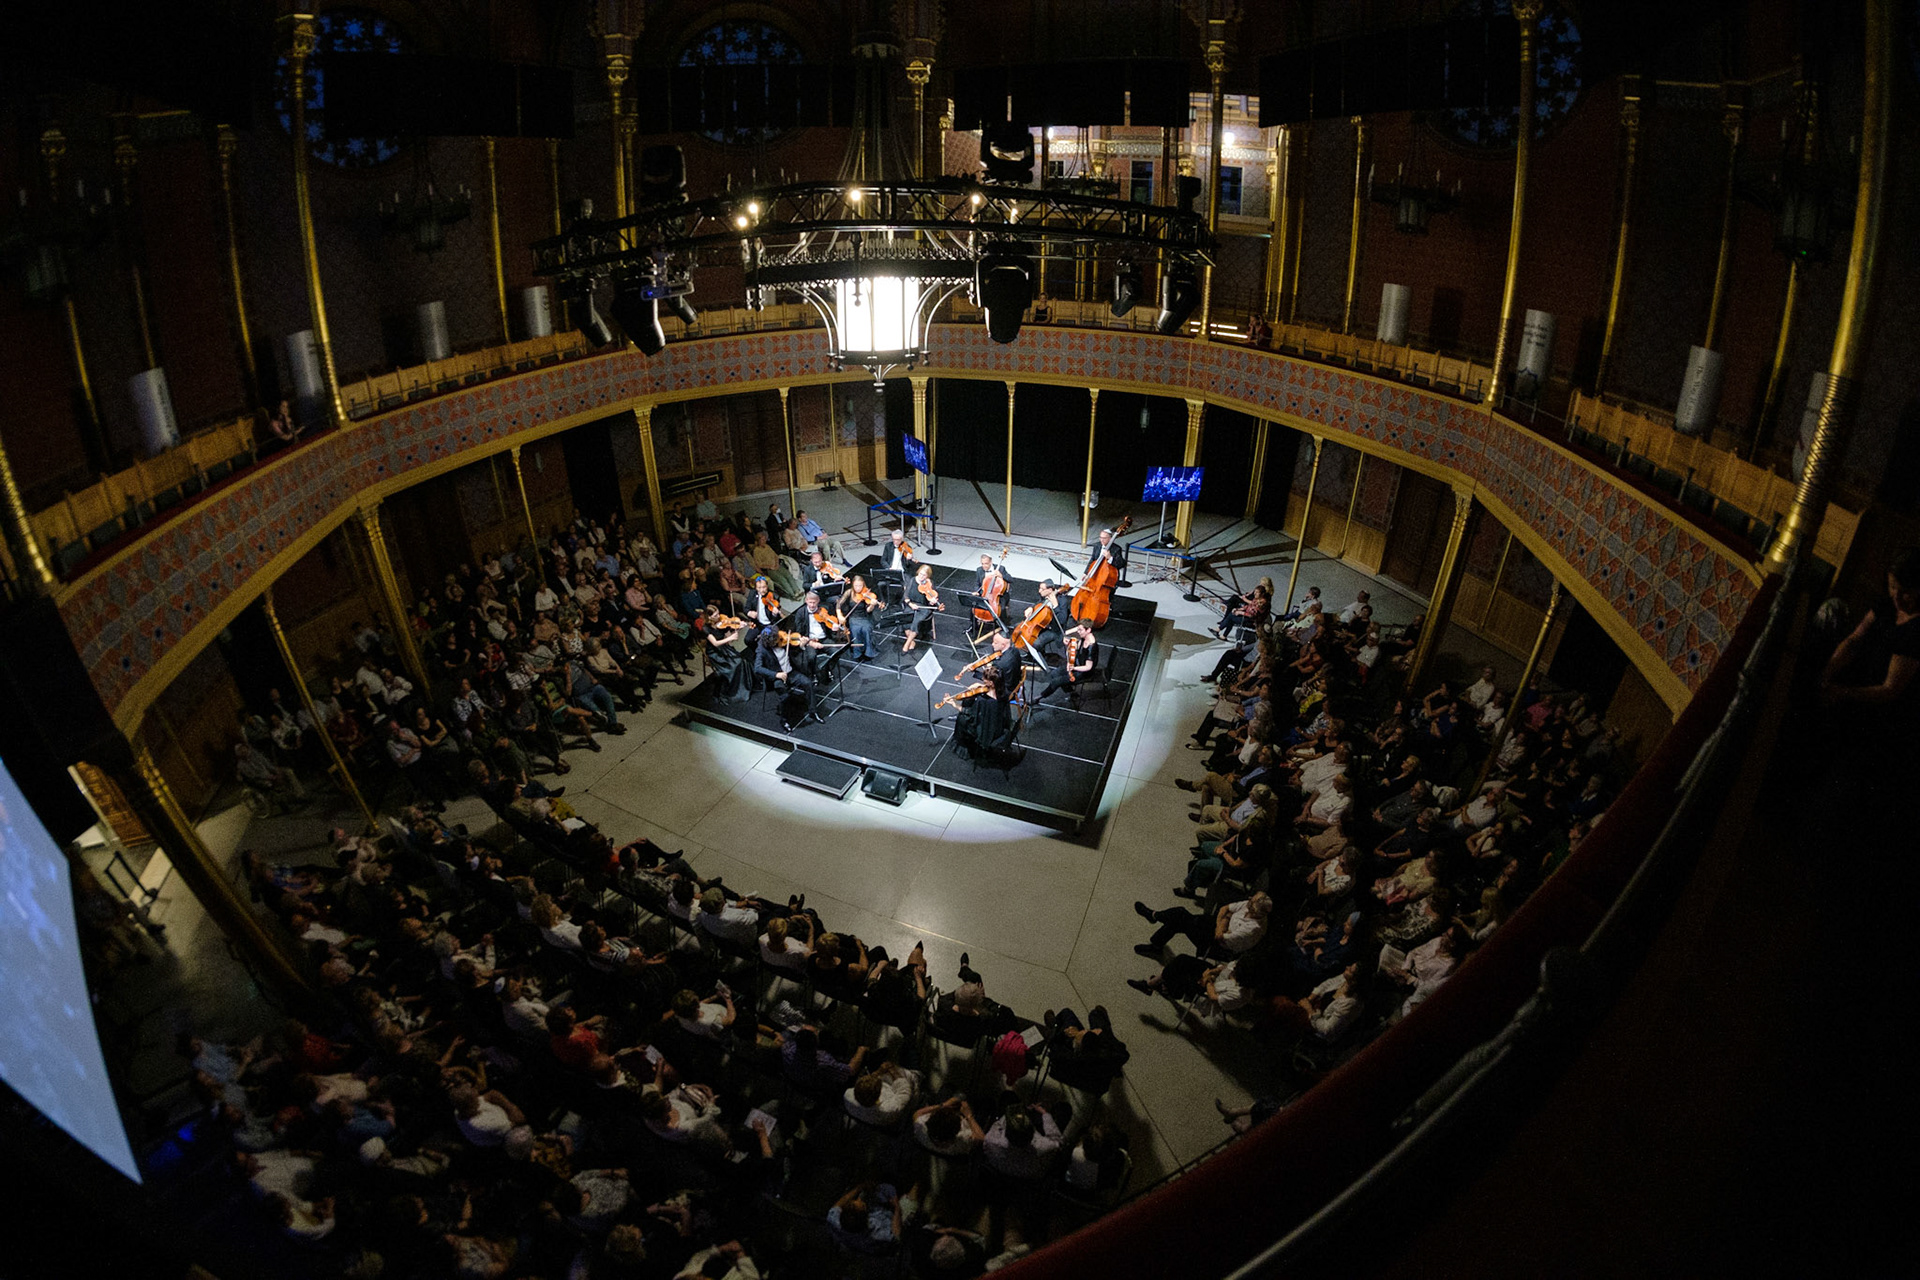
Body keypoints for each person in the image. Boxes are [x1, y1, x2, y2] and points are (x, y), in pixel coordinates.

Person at [1132, 892, 1271, 958]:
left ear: (1255, 911)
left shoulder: (1252, 929)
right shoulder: (1249, 905)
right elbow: (1224, 908)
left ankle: (1154, 917)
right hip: (1216, 925)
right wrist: (1224, 920)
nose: (1248, 900)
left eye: (1250, 902)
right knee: (1179, 919)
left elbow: (1219, 937)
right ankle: (1155, 936)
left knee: (1180, 915)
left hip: (1217, 946)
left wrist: (1225, 919)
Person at [1034, 622, 1097, 707]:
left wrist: (1073, 668)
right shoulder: (1083, 637)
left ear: (1088, 630)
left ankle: (1039, 697)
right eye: (1078, 629)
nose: (1078, 632)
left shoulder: (1091, 646)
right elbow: (1067, 634)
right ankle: (1072, 693)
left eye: (1080, 630)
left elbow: (1088, 667)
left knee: (1056, 681)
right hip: (1075, 664)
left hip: (1083, 672)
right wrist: (1068, 641)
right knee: (1054, 674)